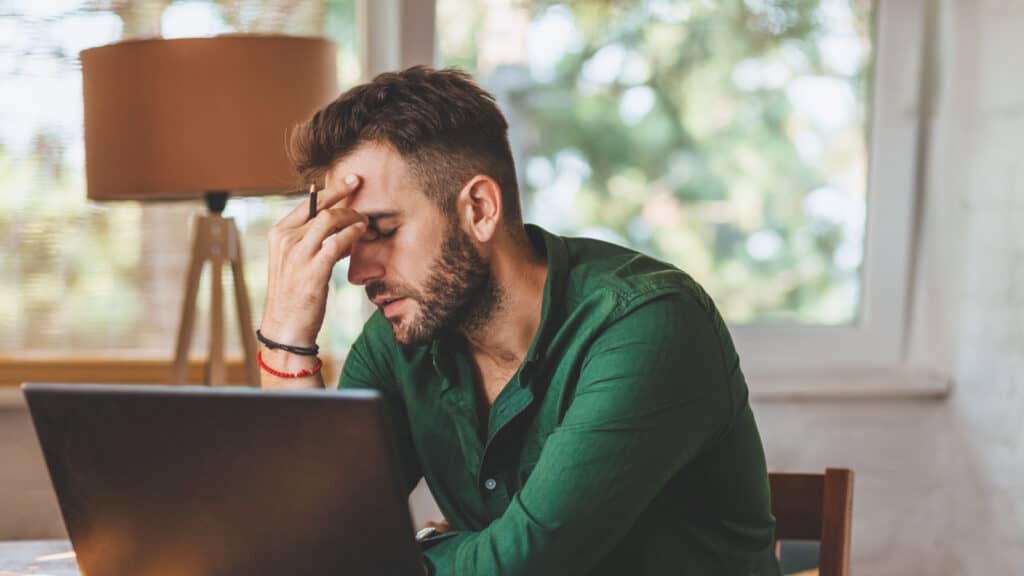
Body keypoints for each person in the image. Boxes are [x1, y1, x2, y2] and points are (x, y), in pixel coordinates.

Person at [259, 66, 781, 576]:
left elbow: (524, 564)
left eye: (382, 230)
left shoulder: (648, 324)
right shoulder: (399, 338)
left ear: (481, 209)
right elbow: (307, 543)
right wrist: (286, 338)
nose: (359, 273)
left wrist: (403, 551)